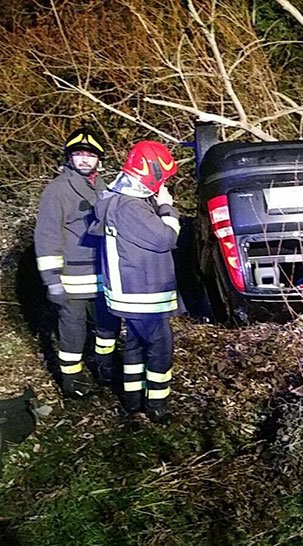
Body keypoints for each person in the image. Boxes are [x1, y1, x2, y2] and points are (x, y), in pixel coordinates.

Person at [91, 140, 181, 423]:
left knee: (134, 345)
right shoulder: (131, 206)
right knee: (160, 347)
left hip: (129, 293)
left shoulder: (118, 199)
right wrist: (167, 208)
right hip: (142, 293)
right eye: (163, 179)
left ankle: (132, 399)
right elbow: (165, 238)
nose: (164, 185)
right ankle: (157, 405)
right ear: (150, 172)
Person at [34, 127, 120, 399]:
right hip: (72, 280)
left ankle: (105, 367)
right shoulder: (57, 191)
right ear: (69, 158)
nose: (84, 160)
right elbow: (47, 236)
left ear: (99, 159)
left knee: (108, 326)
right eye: (79, 154)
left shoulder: (105, 187)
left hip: (104, 276)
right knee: (73, 331)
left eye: (90, 155)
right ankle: (72, 379)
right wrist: (52, 281)